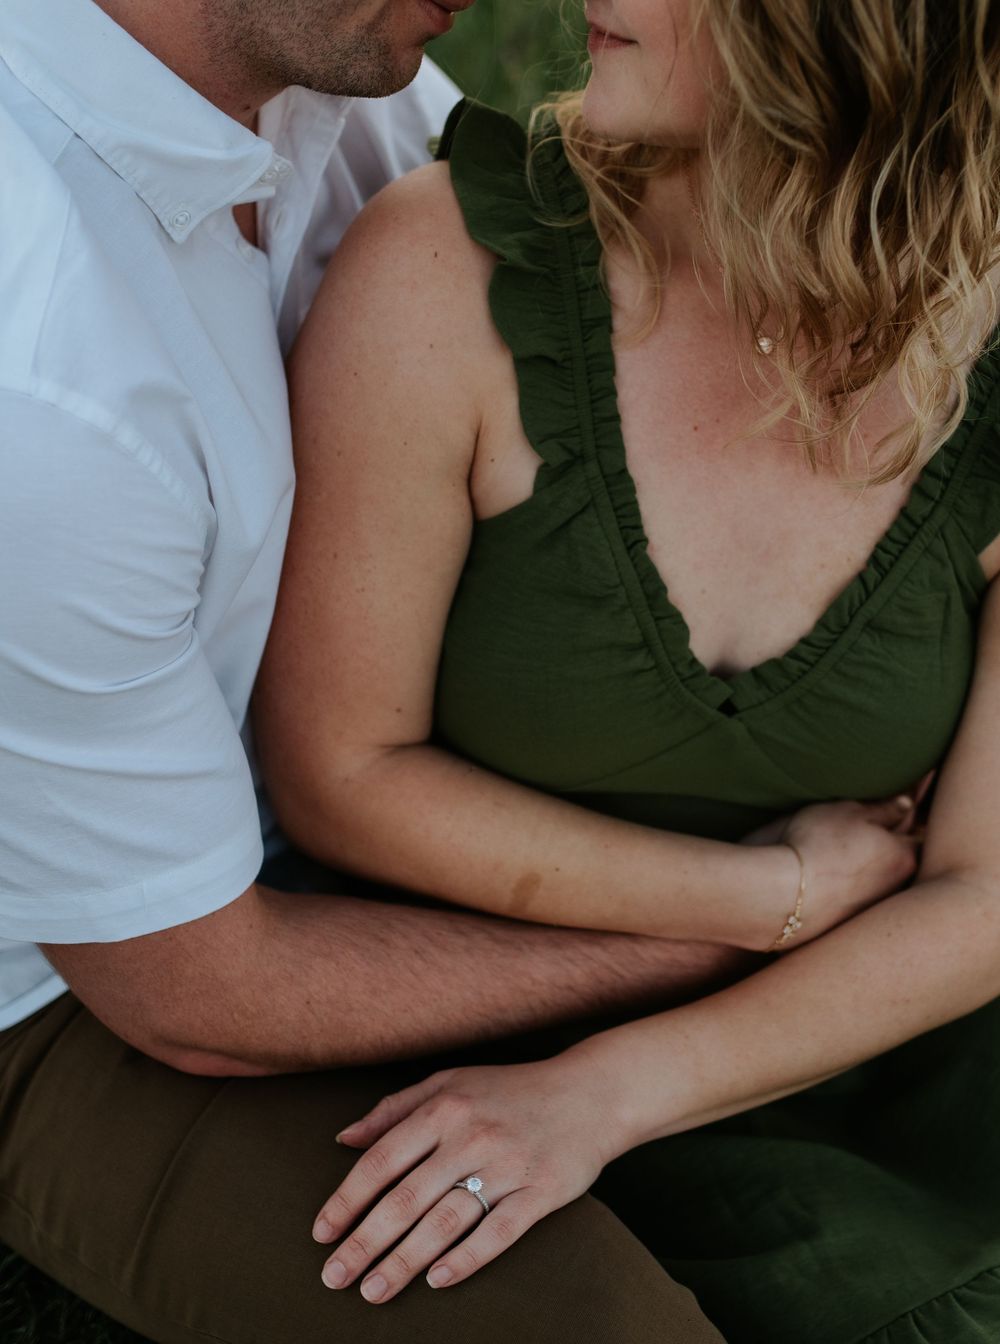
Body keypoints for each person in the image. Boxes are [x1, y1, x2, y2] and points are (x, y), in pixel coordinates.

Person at [254, 0, 1000, 1339]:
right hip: (481, 1039)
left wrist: (613, 1090)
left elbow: (982, 894)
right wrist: (759, 894)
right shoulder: (448, 273)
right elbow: (337, 768)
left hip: (893, 1056)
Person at [0, 1, 744, 1341]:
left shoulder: (309, 51)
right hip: (77, 969)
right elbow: (198, 993)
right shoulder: (45, 382)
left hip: (328, 773)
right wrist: (709, 933)